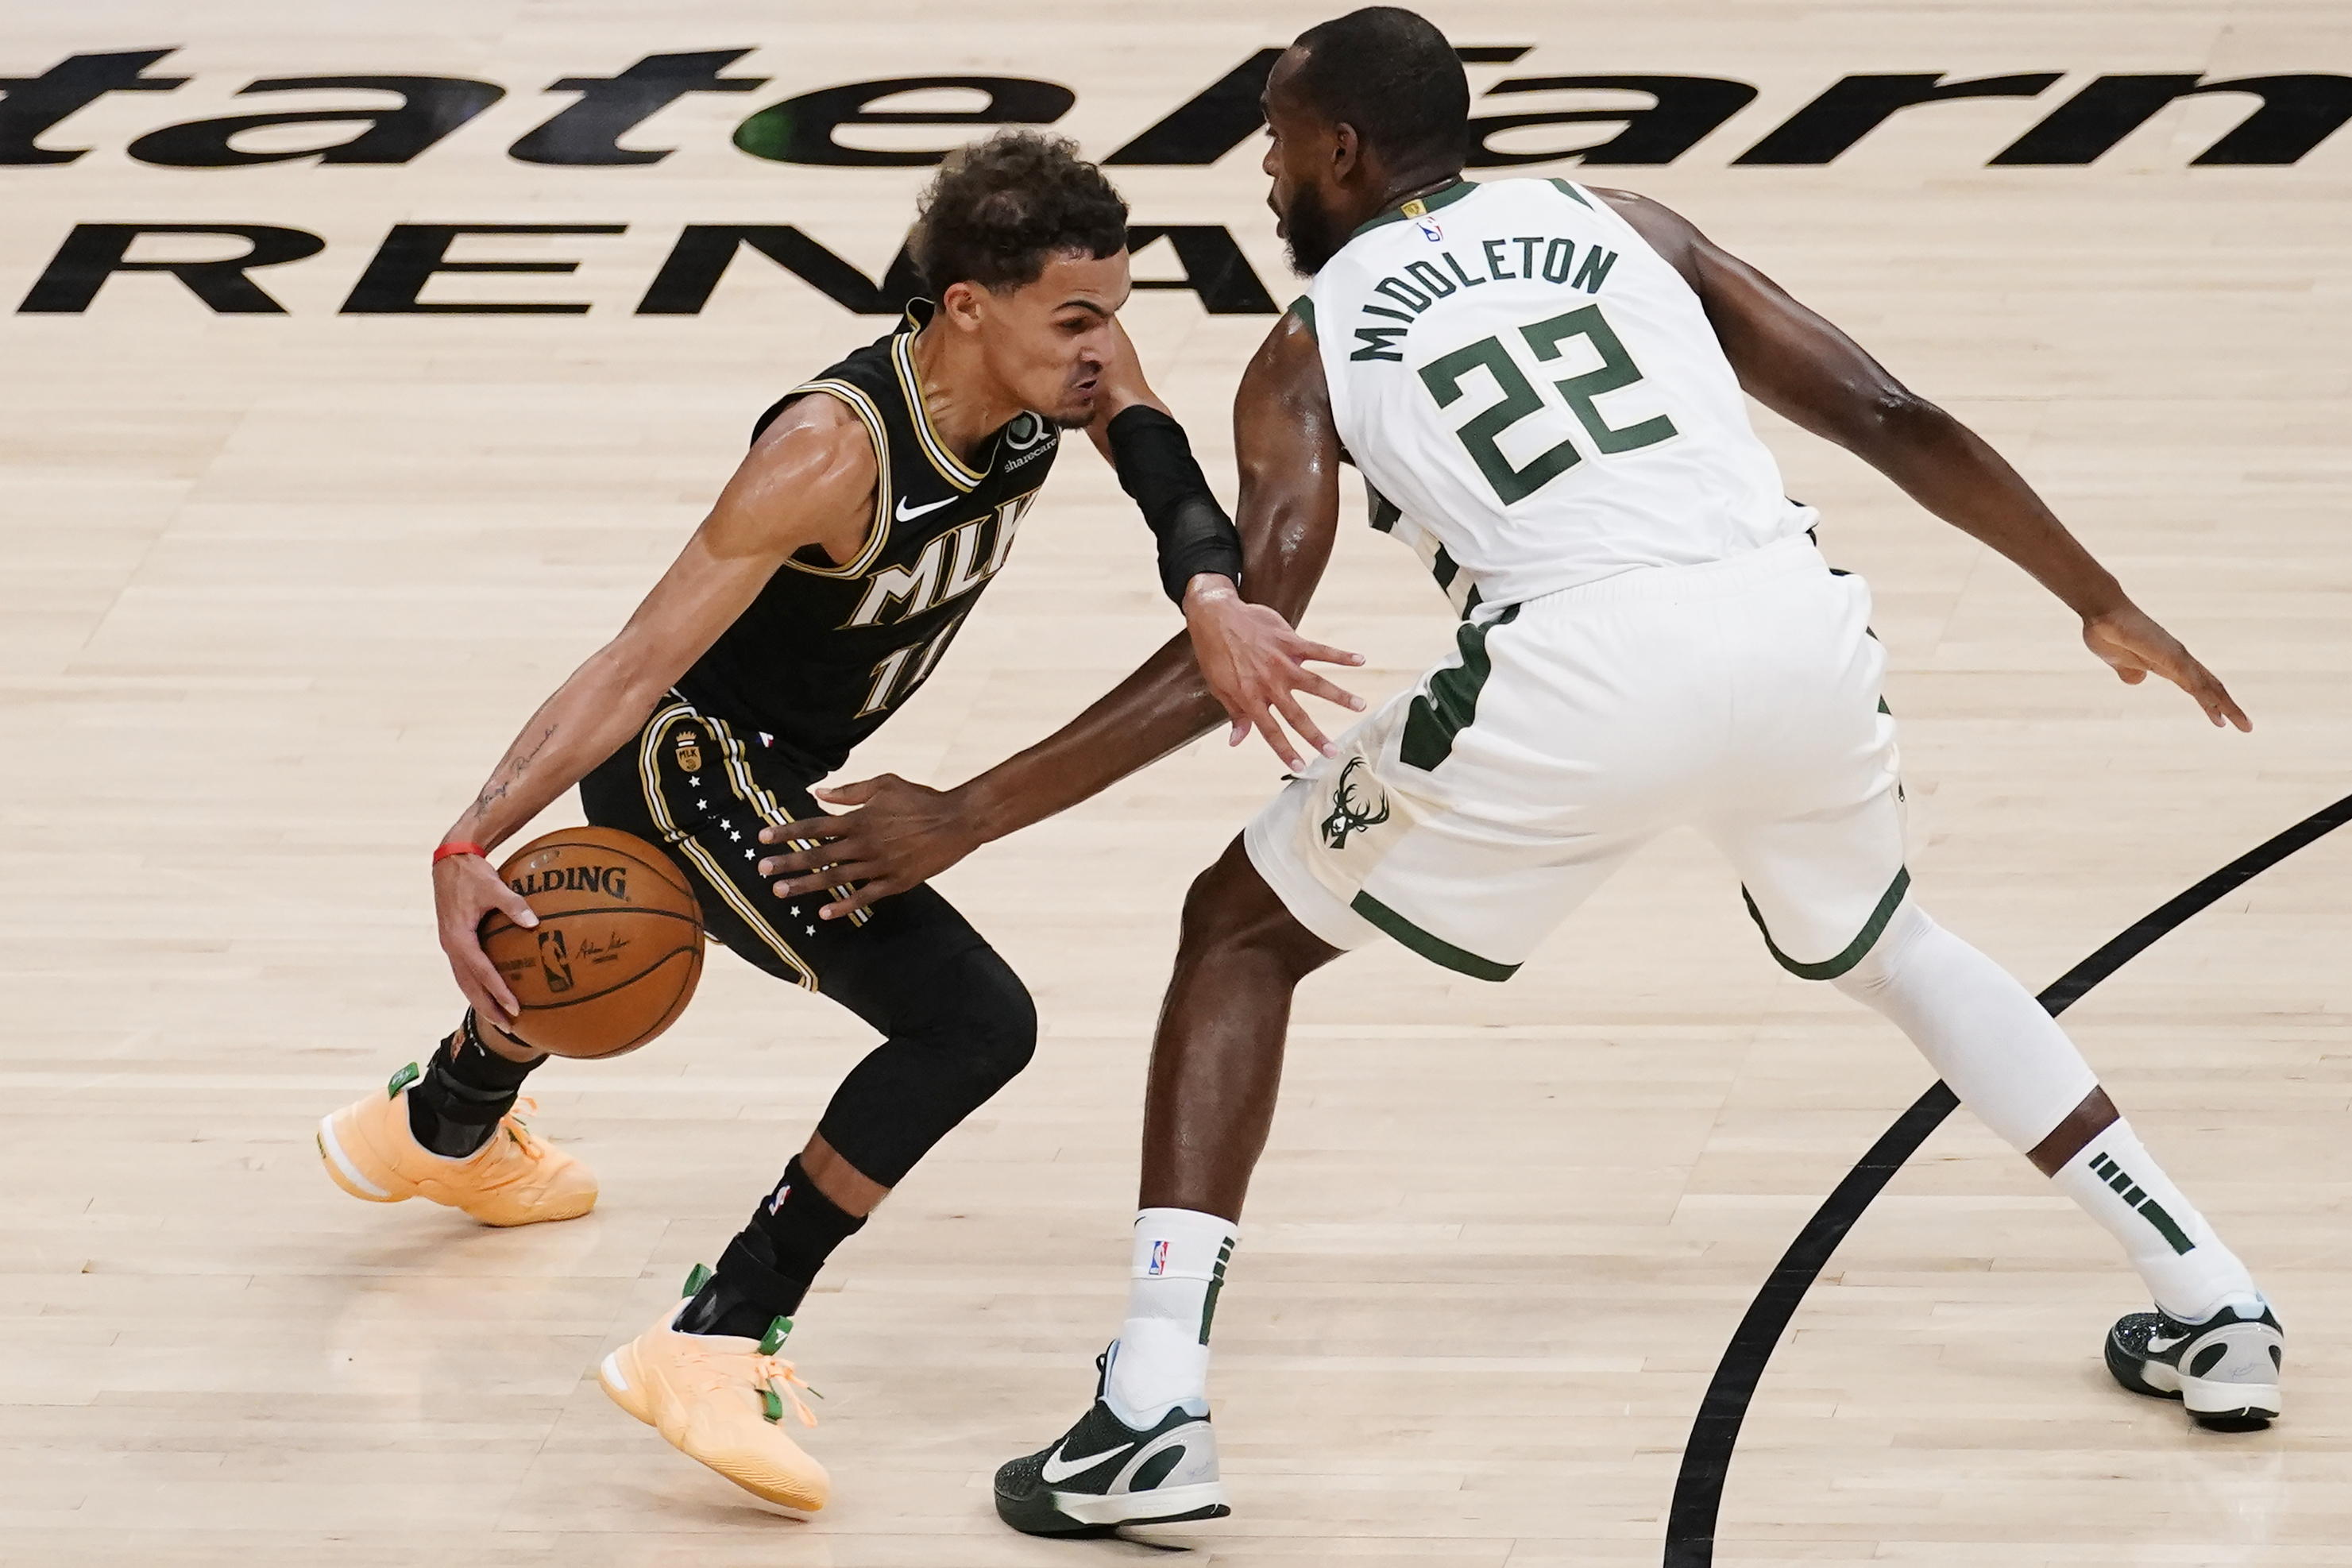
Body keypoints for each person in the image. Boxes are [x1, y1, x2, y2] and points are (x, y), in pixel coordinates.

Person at [747, 8, 2281, 1536]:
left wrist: (969, 810)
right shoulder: (1622, 219)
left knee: (1238, 931)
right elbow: (1888, 413)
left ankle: (1151, 1403)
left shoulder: (1310, 341)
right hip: (1794, 625)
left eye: (1277, 142)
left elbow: (1252, 631)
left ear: (1339, 149)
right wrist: (2091, 593)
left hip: (1577, 666)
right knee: (1892, 942)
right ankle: (2204, 1287)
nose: (1267, 174)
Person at [311, 129, 1363, 1516]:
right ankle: (716, 1332)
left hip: (789, 757)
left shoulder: (1061, 367)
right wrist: (464, 843)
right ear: (966, 308)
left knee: (612, 957)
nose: (1106, 343)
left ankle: (445, 1119)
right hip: (694, 763)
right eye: (1077, 314)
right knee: (973, 1021)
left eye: (1113, 305)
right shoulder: (828, 448)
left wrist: (1211, 596)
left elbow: (1164, 474)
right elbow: (633, 663)